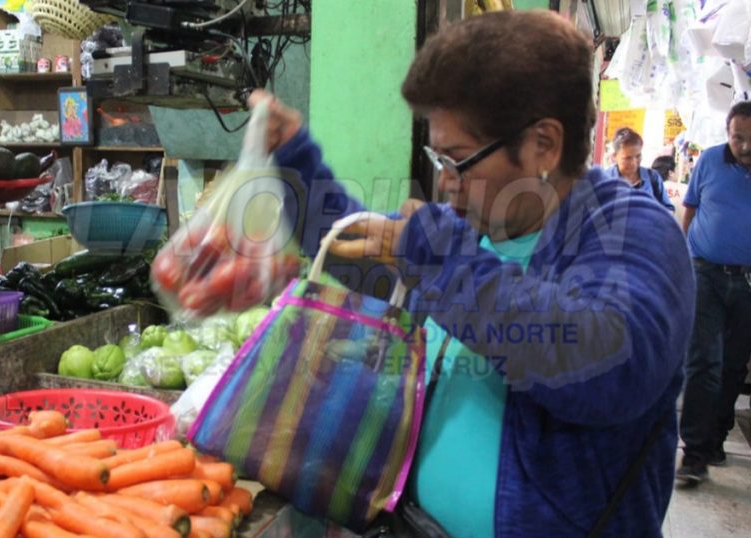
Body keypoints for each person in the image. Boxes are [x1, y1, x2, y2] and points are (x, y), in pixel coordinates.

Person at [250, 10, 694, 537]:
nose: (446, 186)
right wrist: (296, 158)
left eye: (458, 160)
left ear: (544, 145)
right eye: (437, 160)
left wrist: (434, 260)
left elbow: (604, 365)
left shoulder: (632, 231)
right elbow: (360, 254)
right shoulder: (469, 227)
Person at [676, 100, 751, 486]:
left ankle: (717, 436)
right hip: (705, 274)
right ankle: (695, 453)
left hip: (749, 284)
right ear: (727, 133)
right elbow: (688, 209)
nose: (745, 147)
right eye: (738, 138)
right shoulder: (708, 161)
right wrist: (683, 258)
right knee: (703, 361)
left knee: (734, 366)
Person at [606, 128, 675, 211]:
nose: (634, 162)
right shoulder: (604, 180)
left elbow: (668, 209)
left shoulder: (653, 178)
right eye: (627, 158)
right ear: (615, 157)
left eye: (638, 156)